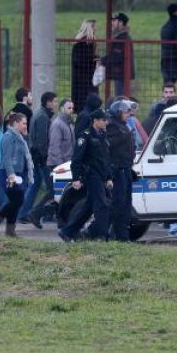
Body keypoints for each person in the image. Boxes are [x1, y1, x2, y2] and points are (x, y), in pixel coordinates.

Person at [58, 109, 112, 242]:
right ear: (96, 121)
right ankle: (101, 235)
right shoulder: (85, 136)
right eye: (104, 120)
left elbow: (106, 159)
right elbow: (77, 159)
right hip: (91, 175)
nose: (106, 122)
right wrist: (76, 178)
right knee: (102, 205)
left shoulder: (103, 136)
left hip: (101, 175)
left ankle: (67, 231)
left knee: (88, 208)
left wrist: (109, 177)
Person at [28, 98, 76, 228]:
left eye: (72, 108)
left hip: (66, 164)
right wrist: (60, 166)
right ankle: (37, 213)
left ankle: (49, 217)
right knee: (56, 192)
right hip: (58, 164)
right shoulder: (58, 124)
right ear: (61, 109)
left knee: (60, 193)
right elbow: (54, 147)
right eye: (68, 108)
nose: (71, 110)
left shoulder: (69, 124)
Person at [0, 112, 34, 237]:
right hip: (9, 173)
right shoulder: (8, 137)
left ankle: (9, 230)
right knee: (18, 200)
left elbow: (26, 152)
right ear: (16, 123)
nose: (26, 126)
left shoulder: (20, 137)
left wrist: (26, 136)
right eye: (24, 123)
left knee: (16, 200)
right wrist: (11, 175)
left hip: (19, 173)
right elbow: (6, 158)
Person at [18, 91, 57, 226]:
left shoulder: (40, 114)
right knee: (52, 188)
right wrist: (46, 159)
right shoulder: (43, 117)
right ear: (48, 102)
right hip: (41, 158)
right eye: (54, 101)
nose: (56, 104)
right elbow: (41, 142)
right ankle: (38, 213)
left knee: (35, 185)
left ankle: (24, 213)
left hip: (36, 157)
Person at [105, 100, 135, 241]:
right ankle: (110, 233)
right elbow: (109, 145)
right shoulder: (111, 126)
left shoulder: (124, 126)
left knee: (126, 204)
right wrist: (124, 136)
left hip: (126, 168)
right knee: (118, 204)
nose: (128, 114)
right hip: (117, 169)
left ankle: (123, 235)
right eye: (126, 112)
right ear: (118, 113)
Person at [102, 12, 135, 98]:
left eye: (114, 21)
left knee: (121, 100)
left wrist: (103, 60)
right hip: (120, 74)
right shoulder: (120, 37)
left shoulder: (122, 38)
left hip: (122, 74)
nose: (112, 23)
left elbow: (117, 56)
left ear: (121, 22)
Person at [71, 19, 98, 113]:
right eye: (94, 27)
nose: (96, 30)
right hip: (83, 84)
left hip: (86, 82)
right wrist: (93, 61)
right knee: (85, 108)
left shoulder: (88, 44)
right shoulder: (81, 45)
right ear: (89, 28)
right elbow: (80, 62)